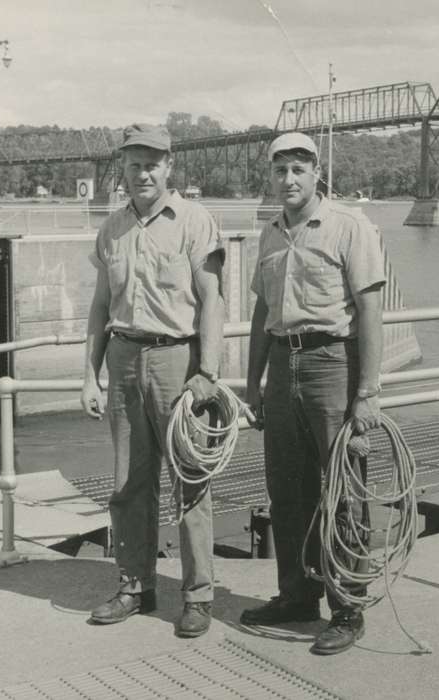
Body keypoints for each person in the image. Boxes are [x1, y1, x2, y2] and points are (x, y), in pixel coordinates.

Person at [239, 132, 385, 656]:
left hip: (332, 364)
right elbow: (261, 314)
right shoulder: (270, 233)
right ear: (271, 175)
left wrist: (367, 391)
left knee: (344, 490)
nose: (289, 180)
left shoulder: (350, 227)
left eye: (299, 169)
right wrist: (252, 383)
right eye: (281, 170)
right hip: (283, 363)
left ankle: (348, 608)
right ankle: (298, 596)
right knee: (288, 487)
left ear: (316, 172)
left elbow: (369, 311)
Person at [81, 123, 225, 638]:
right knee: (128, 485)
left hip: (176, 361)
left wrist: (207, 372)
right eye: (134, 163)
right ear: (122, 169)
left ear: (170, 167)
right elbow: (100, 306)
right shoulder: (112, 228)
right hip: (123, 359)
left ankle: (197, 596)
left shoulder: (194, 221)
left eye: (153, 163)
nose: (143, 173)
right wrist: (89, 376)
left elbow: (212, 301)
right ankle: (135, 585)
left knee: (190, 483)